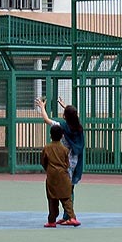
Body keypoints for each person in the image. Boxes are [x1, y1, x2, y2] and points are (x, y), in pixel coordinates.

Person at [36, 96, 84, 224]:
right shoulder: (78, 127)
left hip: (65, 161)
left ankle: (68, 216)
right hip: (75, 161)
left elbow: (46, 119)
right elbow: (73, 115)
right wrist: (65, 106)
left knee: (65, 189)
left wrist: (42, 107)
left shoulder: (61, 127)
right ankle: (67, 215)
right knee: (70, 187)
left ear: (64, 116)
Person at [41, 125, 81, 227]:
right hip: (63, 175)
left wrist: (48, 169)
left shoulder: (46, 148)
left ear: (50, 135)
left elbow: (43, 162)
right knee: (66, 198)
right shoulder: (65, 150)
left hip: (52, 176)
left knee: (52, 198)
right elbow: (67, 163)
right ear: (62, 136)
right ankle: (72, 217)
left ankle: (51, 221)